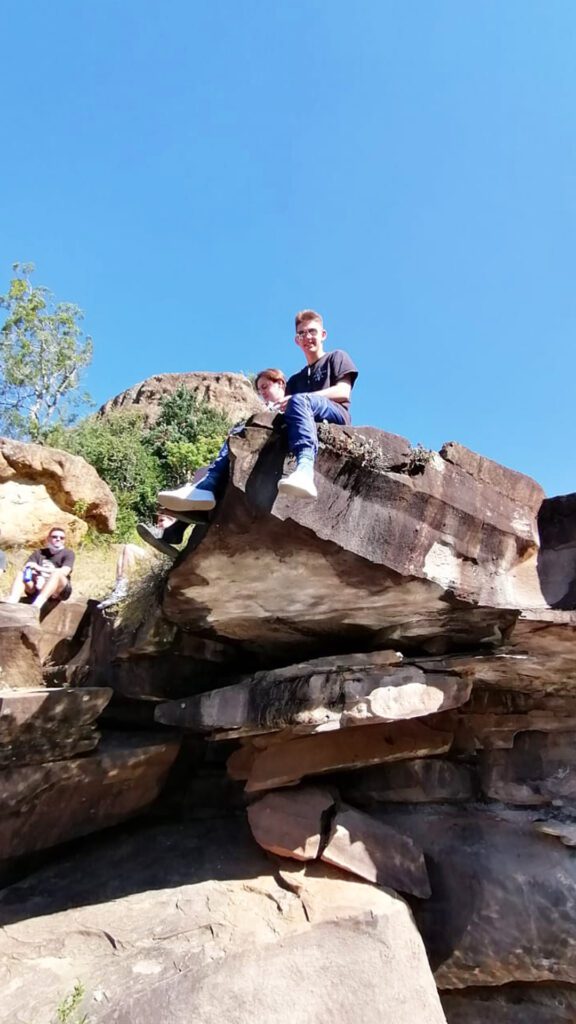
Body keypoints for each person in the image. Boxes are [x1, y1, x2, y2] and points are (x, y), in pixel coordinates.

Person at [157, 367, 287, 513]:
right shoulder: (266, 410)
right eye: (259, 390)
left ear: (280, 384)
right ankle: (194, 505)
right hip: (253, 450)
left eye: (265, 386)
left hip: (274, 448)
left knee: (236, 436)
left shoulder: (293, 403)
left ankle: (207, 485)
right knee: (203, 471)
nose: (262, 392)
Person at [277, 309, 358, 499]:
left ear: (323, 334)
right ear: (297, 340)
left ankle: (305, 470)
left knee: (299, 400)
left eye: (312, 331)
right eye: (302, 333)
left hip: (336, 413)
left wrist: (303, 398)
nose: (307, 337)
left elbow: (343, 392)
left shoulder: (336, 357)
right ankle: (210, 483)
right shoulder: (294, 380)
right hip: (307, 417)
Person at [97, 512, 185, 609]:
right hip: (152, 561)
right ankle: (119, 588)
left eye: (162, 520)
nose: (159, 523)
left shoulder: (174, 535)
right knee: (126, 550)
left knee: (130, 548)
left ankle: (121, 590)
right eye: (159, 520)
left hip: (162, 565)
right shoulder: (155, 534)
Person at [6, 526, 75, 610]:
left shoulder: (68, 553)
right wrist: (37, 576)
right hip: (37, 587)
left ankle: (37, 605)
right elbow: (27, 567)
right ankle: (12, 601)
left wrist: (39, 569)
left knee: (57, 573)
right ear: (48, 538)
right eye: (54, 537)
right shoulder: (39, 553)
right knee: (21, 574)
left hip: (58, 590)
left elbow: (65, 571)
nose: (58, 539)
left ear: (64, 540)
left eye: (62, 538)